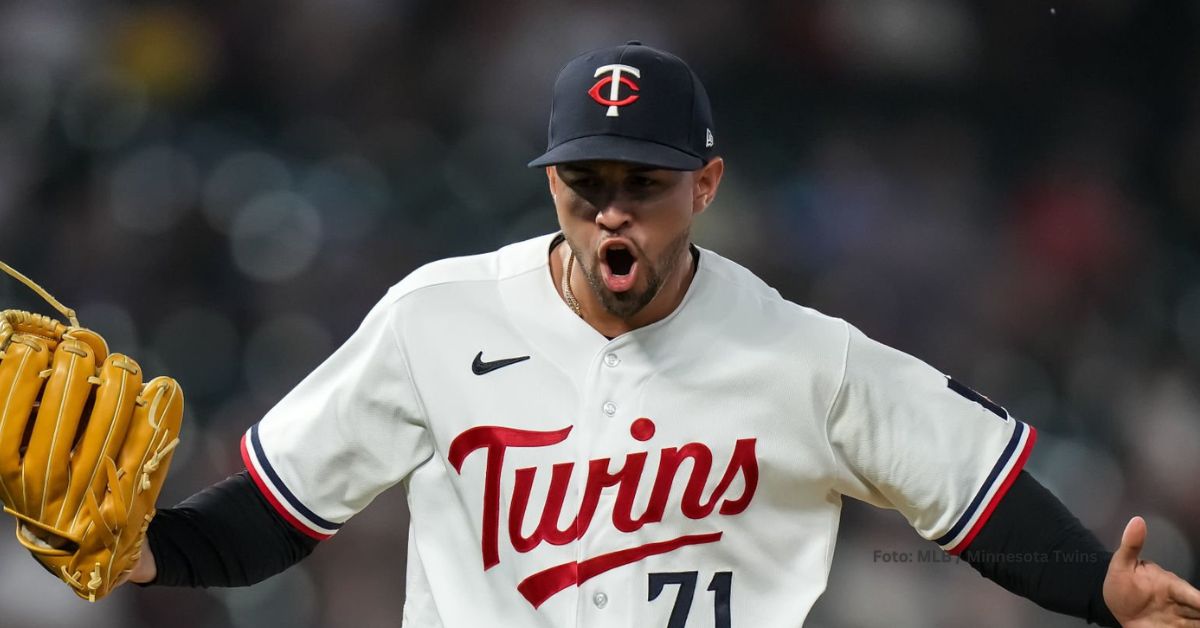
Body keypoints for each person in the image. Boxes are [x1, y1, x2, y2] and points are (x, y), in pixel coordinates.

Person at [127, 42, 1199, 627]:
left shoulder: (799, 356)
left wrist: (1097, 589)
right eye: (586, 182)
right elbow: (274, 513)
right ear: (550, 182)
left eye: (644, 184)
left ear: (707, 185)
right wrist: (148, 549)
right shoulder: (434, 318)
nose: (612, 210)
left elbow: (974, 490)